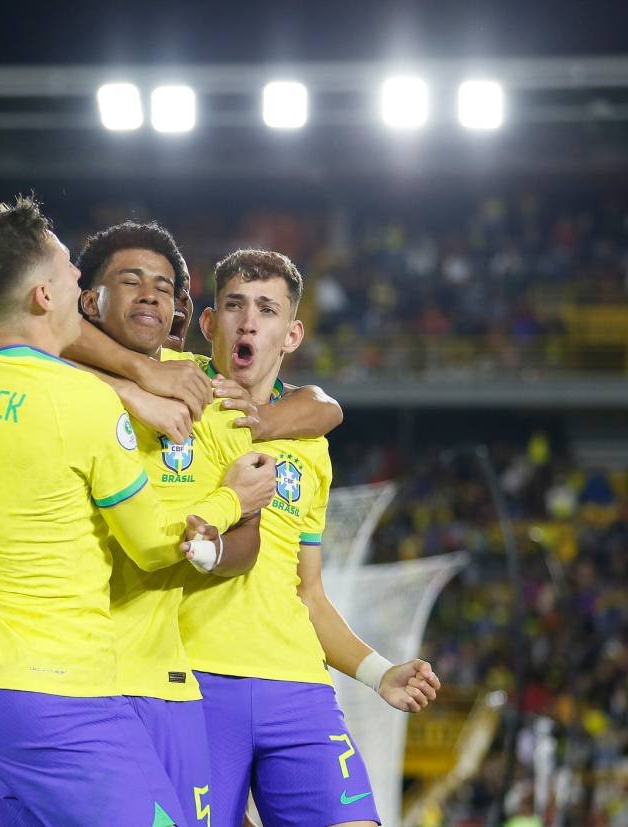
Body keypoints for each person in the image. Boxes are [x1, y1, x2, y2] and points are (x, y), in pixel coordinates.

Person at [0, 197, 271, 826]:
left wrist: (132, 383)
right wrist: (229, 499)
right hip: (59, 697)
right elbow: (157, 547)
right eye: (69, 267)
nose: (78, 275)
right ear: (46, 297)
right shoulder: (85, 411)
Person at [179, 249, 441, 827]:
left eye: (267, 310)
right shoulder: (171, 400)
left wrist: (378, 673)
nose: (249, 322)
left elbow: (310, 594)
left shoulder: (310, 447)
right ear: (207, 323)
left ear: (291, 333)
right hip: (193, 683)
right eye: (234, 306)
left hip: (298, 689)